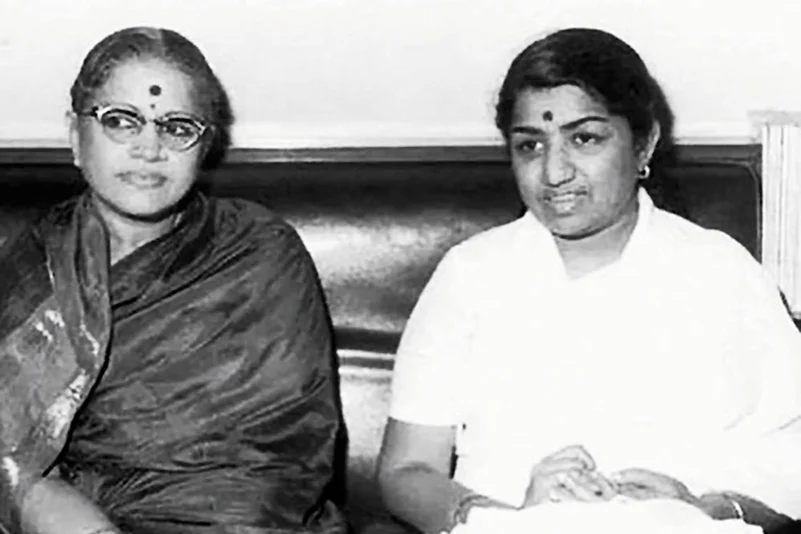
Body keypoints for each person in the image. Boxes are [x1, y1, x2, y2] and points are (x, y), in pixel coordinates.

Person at [376, 27, 801, 534]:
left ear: (644, 143)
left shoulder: (722, 272)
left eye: (585, 138)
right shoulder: (471, 275)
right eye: (530, 145)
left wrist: (705, 506)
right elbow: (407, 470)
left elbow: (791, 459)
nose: (555, 172)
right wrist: (497, 518)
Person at [0, 27, 346, 534]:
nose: (149, 147)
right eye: (121, 121)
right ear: (76, 137)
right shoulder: (31, 269)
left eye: (177, 127)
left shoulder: (259, 253)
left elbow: (280, 463)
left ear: (203, 148)